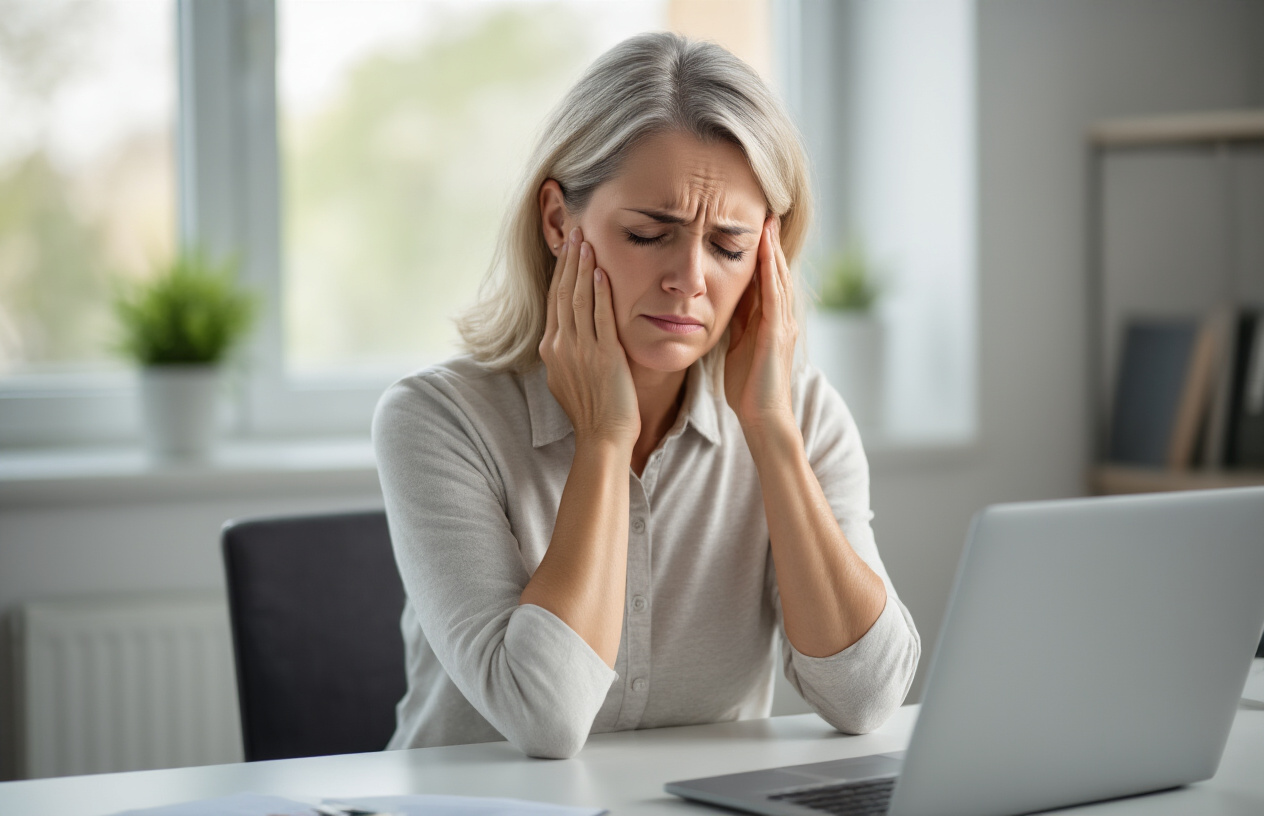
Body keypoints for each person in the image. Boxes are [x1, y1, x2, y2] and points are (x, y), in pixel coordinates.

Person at [372, 31, 920, 760]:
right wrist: (604, 438)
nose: (689, 278)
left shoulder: (802, 415)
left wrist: (773, 436)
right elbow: (545, 715)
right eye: (648, 234)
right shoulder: (436, 421)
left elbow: (868, 698)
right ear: (560, 222)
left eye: (728, 246)